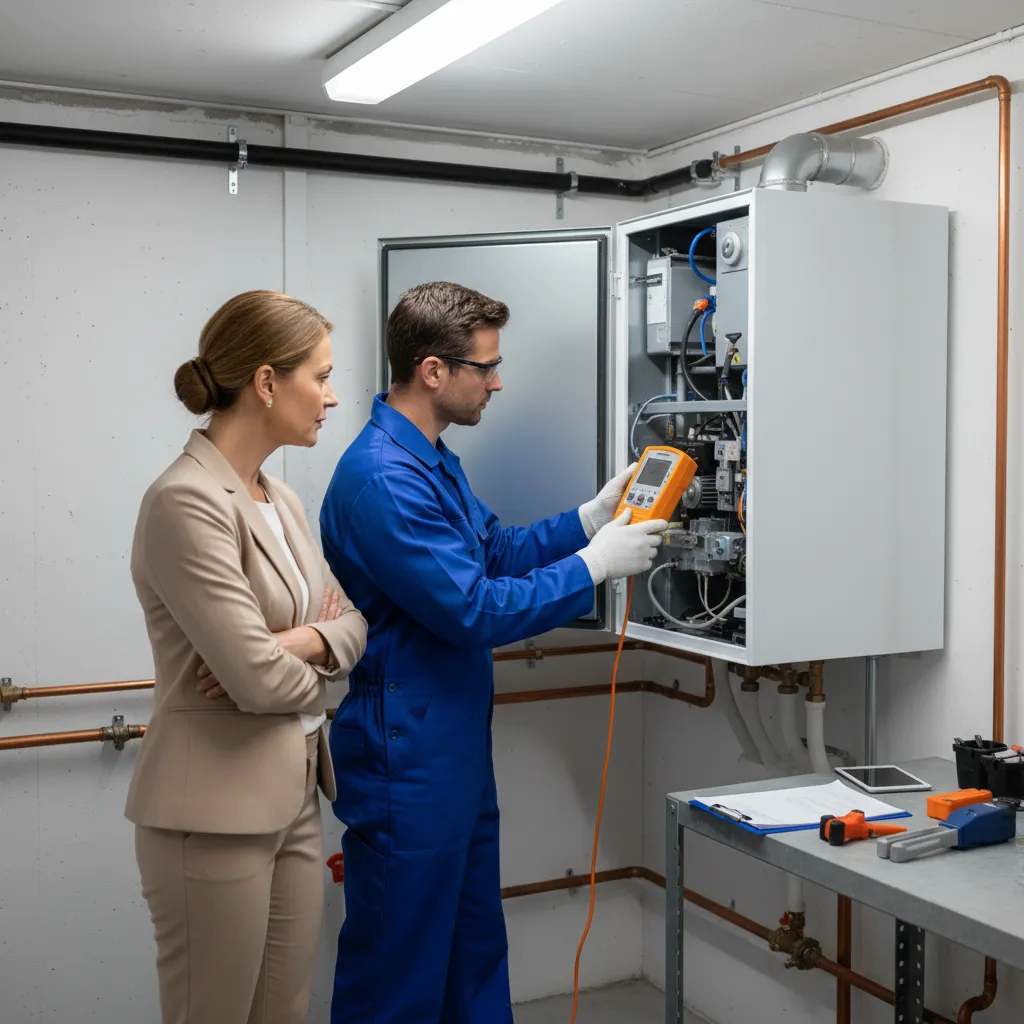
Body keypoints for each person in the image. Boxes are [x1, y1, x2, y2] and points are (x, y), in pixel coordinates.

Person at [319, 280, 666, 1023]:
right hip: (405, 755)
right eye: (486, 367)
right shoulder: (383, 477)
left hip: (450, 750)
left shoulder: (430, 458)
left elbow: (494, 552)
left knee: (472, 952)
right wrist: (594, 567)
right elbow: (471, 608)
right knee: (398, 971)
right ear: (433, 371)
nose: (498, 381)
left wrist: (586, 521)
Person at [126, 290, 368, 1024]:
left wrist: (298, 642)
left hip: (293, 796)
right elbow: (256, 681)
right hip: (211, 811)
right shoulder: (185, 501)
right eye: (320, 377)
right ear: (267, 383)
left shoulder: (282, 501)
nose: (331, 397)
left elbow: (354, 626)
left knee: (285, 1013)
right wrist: (311, 664)